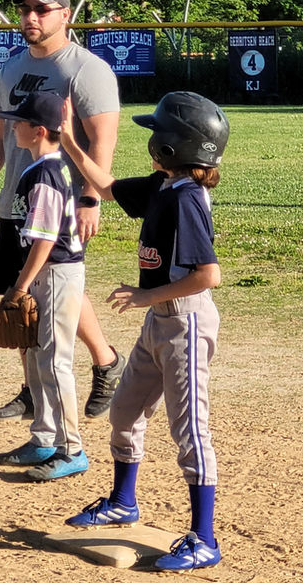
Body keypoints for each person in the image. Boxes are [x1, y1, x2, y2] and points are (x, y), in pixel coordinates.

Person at [59, 91, 230, 571]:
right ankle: (123, 501)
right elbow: (109, 188)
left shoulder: (188, 199)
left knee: (189, 430)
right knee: (125, 412)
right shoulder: (164, 185)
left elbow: (208, 275)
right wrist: (69, 140)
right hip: (160, 322)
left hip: (186, 323)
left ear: (173, 146)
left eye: (157, 133)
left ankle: (204, 539)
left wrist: (144, 295)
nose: (151, 140)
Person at [0, 0, 125, 422]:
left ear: (65, 14)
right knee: (22, 299)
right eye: (24, 9)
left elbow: (103, 139)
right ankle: (34, 388)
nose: (30, 17)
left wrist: (90, 198)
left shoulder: (86, 69)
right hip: (15, 200)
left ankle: (105, 362)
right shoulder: (12, 68)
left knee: (55, 288)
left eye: (41, 9)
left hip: (61, 198)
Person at [0, 90, 88, 481]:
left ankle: (72, 448)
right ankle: (44, 438)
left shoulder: (47, 173)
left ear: (39, 131)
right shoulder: (41, 167)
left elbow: (46, 240)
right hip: (45, 273)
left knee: (54, 361)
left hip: (57, 272)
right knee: (35, 357)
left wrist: (19, 288)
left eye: (21, 122)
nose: (14, 127)